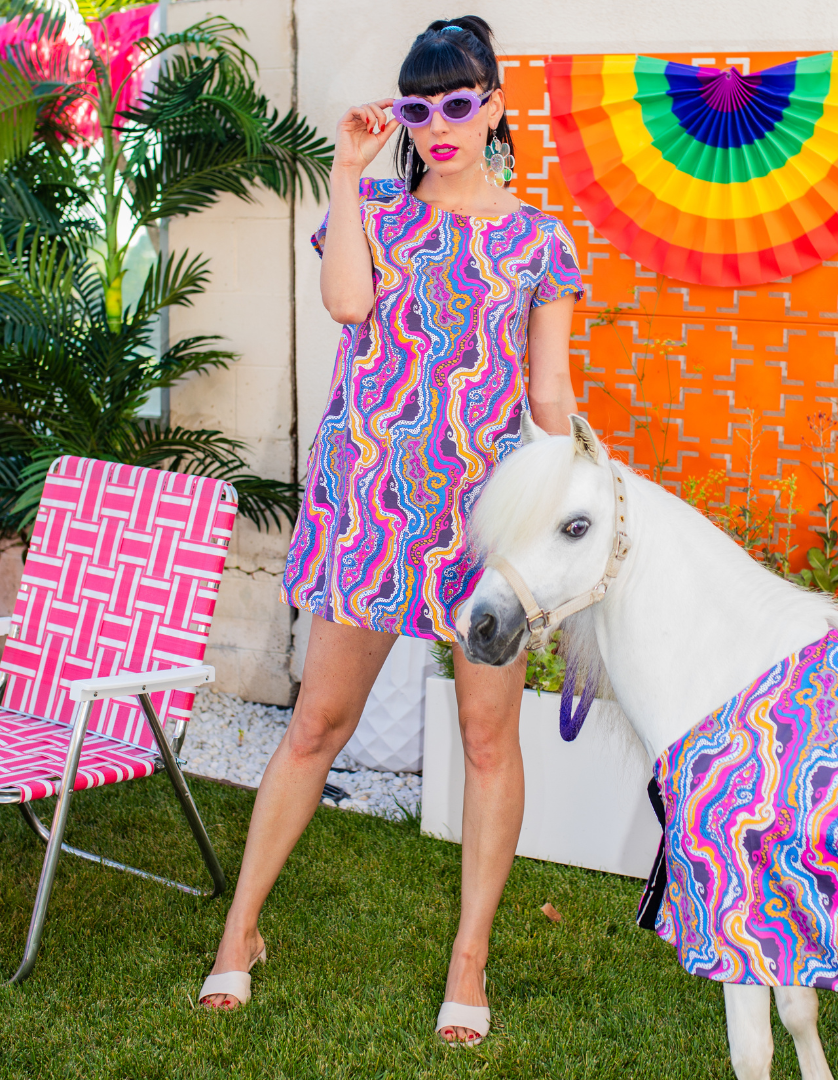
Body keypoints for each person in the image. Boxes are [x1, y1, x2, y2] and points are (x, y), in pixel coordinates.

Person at [196, 15, 582, 1047]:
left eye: (461, 102)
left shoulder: (540, 240)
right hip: (370, 506)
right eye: (422, 107)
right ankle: (239, 934)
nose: (442, 124)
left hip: (487, 529)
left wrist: (588, 494)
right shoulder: (373, 205)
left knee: (489, 737)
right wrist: (348, 169)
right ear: (404, 116)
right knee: (316, 723)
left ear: (495, 104)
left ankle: (471, 957)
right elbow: (345, 302)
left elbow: (550, 395)